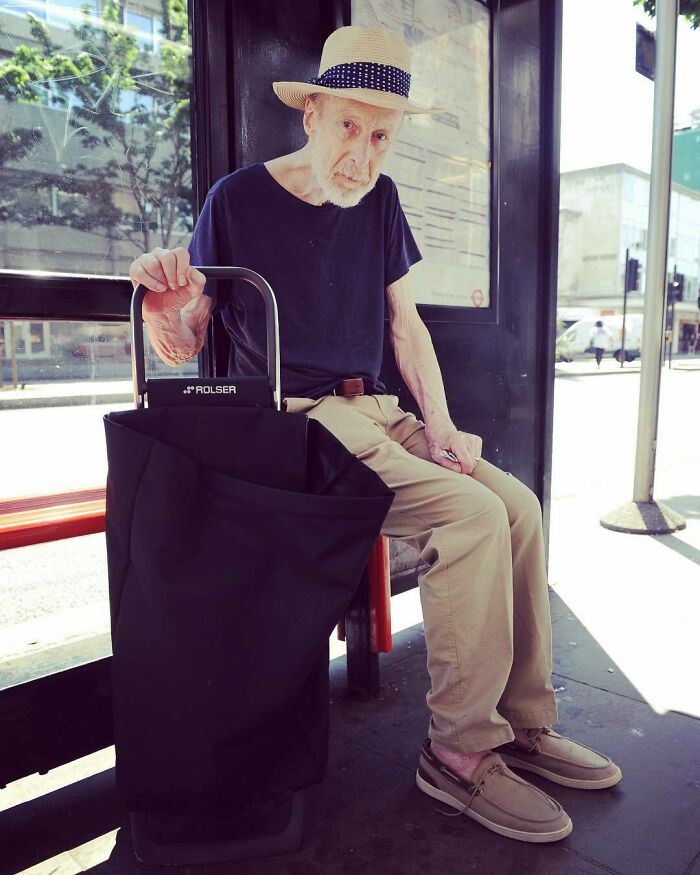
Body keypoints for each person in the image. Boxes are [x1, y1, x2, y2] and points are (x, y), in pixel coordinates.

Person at [128, 25, 621, 844]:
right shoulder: (238, 200)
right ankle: (459, 756)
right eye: (349, 125)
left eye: (381, 134)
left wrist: (445, 428)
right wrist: (161, 306)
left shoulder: (380, 201)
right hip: (296, 424)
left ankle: (519, 719)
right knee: (468, 519)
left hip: (378, 410)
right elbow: (186, 342)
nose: (362, 152)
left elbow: (406, 327)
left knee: (519, 507)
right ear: (311, 113)